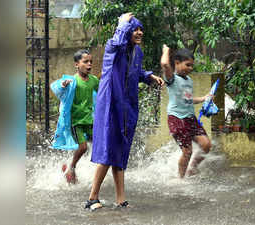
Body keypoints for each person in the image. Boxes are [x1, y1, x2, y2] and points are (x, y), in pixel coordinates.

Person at [85, 13, 164, 210]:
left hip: (128, 105)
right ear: (126, 30)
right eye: (135, 29)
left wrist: (149, 76)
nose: (139, 33)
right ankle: (92, 198)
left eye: (140, 29)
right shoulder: (114, 47)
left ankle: (120, 199)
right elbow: (118, 42)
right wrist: (122, 22)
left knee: (121, 149)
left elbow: (134, 73)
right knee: (109, 149)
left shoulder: (138, 52)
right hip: (111, 103)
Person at [160, 44, 212, 178]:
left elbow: (187, 99)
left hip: (190, 118)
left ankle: (192, 169)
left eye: (191, 65)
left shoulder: (188, 80)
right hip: (177, 119)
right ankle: (181, 179)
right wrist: (166, 50)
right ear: (177, 63)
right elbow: (165, 64)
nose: (191, 68)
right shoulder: (172, 79)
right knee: (187, 151)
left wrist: (203, 98)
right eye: (188, 65)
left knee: (206, 145)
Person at [50, 49, 99, 184]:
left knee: (100, 143)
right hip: (75, 121)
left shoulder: (93, 80)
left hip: (89, 119)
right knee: (83, 147)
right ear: (77, 64)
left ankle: (91, 170)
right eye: (85, 62)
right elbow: (56, 87)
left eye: (91, 62)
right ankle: (71, 167)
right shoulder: (71, 80)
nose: (89, 64)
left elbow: (103, 92)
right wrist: (63, 85)